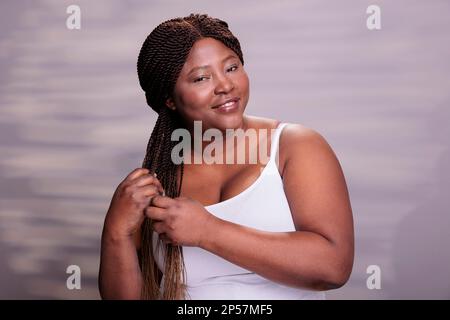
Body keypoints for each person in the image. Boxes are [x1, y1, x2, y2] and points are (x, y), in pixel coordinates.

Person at [98, 13, 354, 300]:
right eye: (201, 78)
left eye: (231, 67)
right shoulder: (157, 181)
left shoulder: (295, 147)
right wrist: (115, 233)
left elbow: (333, 268)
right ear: (169, 98)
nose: (225, 85)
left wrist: (208, 231)